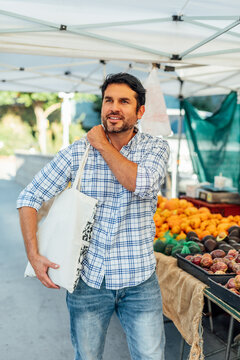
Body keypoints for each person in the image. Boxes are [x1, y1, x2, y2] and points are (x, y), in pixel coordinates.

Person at [17, 72, 170, 360]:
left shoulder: (155, 147)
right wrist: (33, 255)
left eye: (124, 101)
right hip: (88, 281)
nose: (113, 107)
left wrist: (101, 144)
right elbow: (29, 196)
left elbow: (141, 183)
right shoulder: (77, 152)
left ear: (140, 112)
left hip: (139, 280)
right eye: (108, 100)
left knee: (151, 357)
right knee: (86, 357)